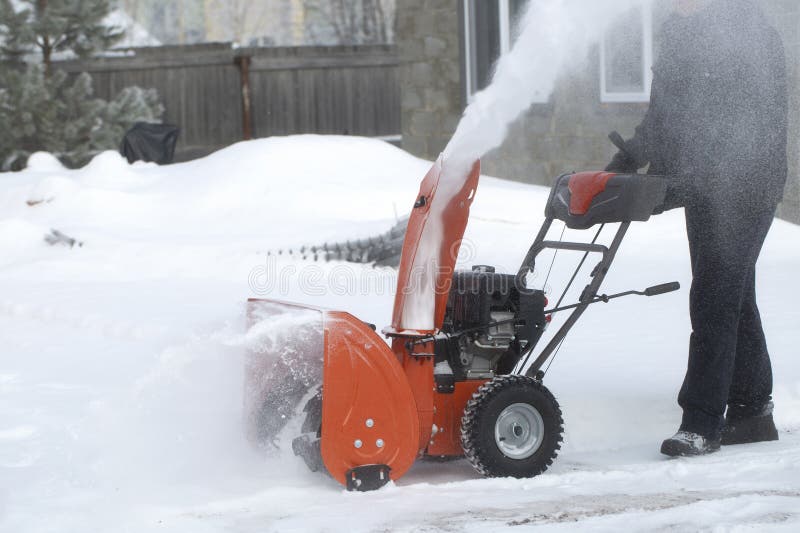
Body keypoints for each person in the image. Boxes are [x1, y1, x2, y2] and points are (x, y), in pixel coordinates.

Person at [605, 0, 787, 456]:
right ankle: (751, 411)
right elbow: (663, 117)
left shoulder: (749, 33)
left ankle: (701, 422)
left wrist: (688, 175)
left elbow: (748, 123)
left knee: (714, 296)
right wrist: (625, 161)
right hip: (703, 187)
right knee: (731, 295)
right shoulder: (678, 36)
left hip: (746, 185)